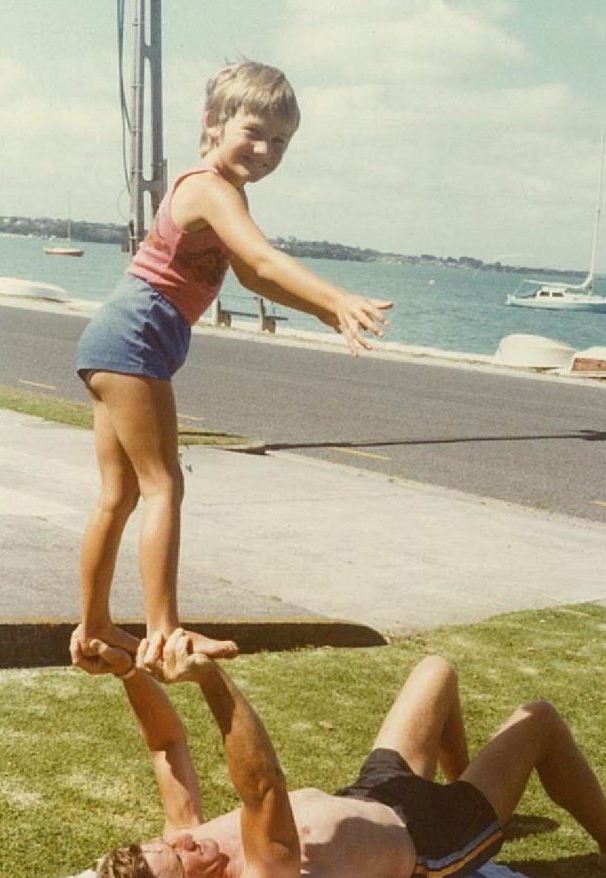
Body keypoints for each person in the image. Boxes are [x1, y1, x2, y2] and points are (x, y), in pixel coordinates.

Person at [75, 61, 393, 658]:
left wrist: (325, 313)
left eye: (281, 141)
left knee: (119, 497)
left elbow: (250, 275)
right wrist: (338, 296)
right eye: (254, 131)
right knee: (163, 485)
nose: (267, 149)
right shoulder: (208, 188)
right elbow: (266, 260)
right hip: (135, 339)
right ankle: (164, 631)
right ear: (213, 123)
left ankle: (93, 627)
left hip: (116, 339)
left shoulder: (224, 193)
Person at [70, 628, 606, 878]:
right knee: (539, 719)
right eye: (183, 857)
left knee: (435, 671)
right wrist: (209, 680)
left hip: (374, 793)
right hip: (433, 841)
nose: (187, 840)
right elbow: (264, 790)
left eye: (171, 842)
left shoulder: (184, 845)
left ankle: (484, 800)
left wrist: (125, 670)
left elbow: (164, 745)